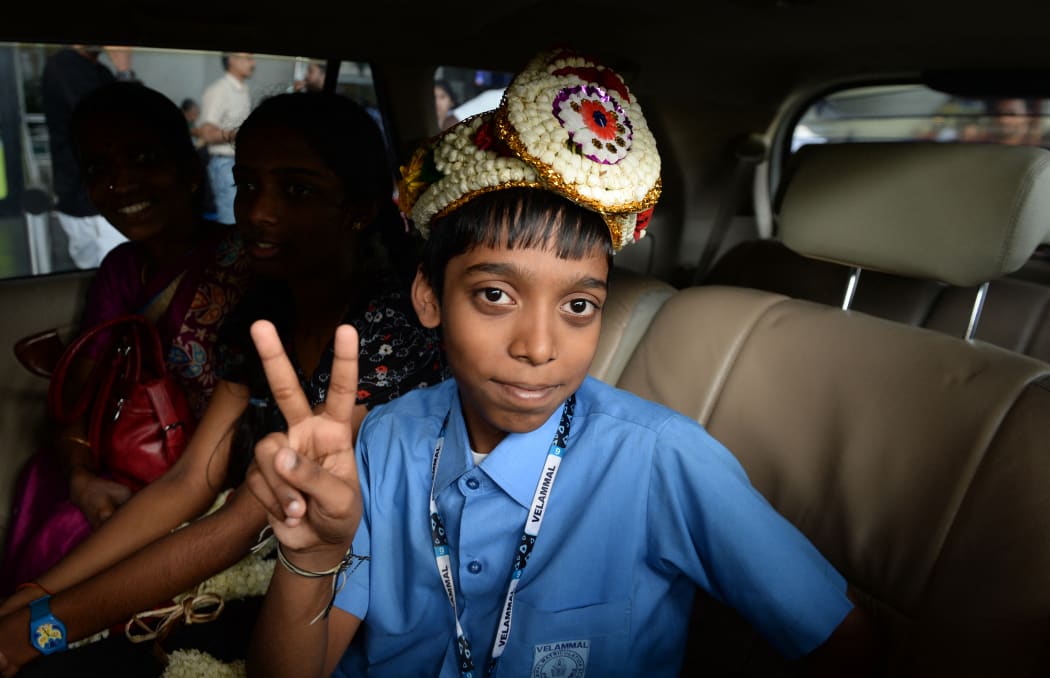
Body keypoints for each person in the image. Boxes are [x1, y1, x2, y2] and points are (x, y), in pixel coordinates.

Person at [245, 48, 879, 677]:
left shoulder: (663, 459)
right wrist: (317, 554)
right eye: (495, 295)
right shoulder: (390, 438)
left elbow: (843, 642)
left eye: (579, 305)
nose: (540, 347)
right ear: (430, 298)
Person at [0, 92, 447, 676]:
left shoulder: (385, 330)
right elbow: (192, 478)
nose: (257, 212)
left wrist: (43, 626)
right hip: (266, 547)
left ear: (359, 208)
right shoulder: (265, 310)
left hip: (349, 582)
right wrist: (37, 592)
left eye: (296, 190)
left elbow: (246, 516)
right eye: (247, 184)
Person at [0, 81, 252, 598]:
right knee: (66, 532)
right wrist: (82, 479)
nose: (122, 182)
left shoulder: (246, 263)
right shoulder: (120, 271)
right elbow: (77, 397)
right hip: (128, 469)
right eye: (99, 170)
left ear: (185, 167)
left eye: (142, 157)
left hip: (221, 480)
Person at [41, 45, 133, 269]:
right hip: (85, 198)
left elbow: (135, 116)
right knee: (115, 279)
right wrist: (123, 70)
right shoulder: (63, 65)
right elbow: (108, 121)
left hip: (103, 194)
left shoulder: (100, 71)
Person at [197, 52, 255, 225]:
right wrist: (241, 133)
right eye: (248, 58)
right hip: (224, 164)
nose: (253, 63)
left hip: (238, 162)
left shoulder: (243, 89)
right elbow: (206, 133)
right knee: (232, 219)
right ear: (231, 59)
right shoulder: (219, 90)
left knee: (241, 216)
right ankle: (229, 252)